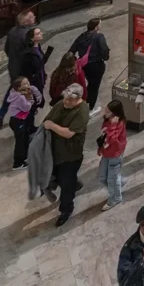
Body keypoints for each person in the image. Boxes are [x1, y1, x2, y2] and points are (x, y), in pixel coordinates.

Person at [43, 83, 90, 226]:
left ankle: (66, 209)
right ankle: (74, 183)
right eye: (65, 99)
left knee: (66, 185)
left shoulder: (82, 112)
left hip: (70, 155)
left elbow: (69, 133)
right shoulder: (61, 104)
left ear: (78, 99)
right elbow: (47, 119)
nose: (66, 102)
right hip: (56, 152)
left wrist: (51, 126)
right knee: (59, 176)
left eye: (70, 100)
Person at [0, 9, 37, 126]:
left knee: (13, 90)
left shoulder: (12, 32)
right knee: (26, 92)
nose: (34, 17)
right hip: (24, 69)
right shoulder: (27, 35)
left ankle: (1, 115)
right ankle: (23, 117)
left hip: (13, 67)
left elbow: (6, 49)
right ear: (26, 20)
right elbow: (30, 54)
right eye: (32, 16)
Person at [69, 18, 110, 113]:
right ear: (96, 27)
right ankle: (90, 108)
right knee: (94, 86)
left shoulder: (82, 36)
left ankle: (83, 101)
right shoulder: (99, 36)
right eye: (100, 24)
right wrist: (105, 57)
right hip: (96, 65)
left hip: (84, 66)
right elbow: (104, 49)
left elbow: (72, 50)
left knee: (88, 84)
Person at [96, 99, 128, 210]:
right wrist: (100, 148)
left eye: (108, 112)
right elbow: (104, 137)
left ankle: (115, 198)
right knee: (102, 178)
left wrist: (113, 125)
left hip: (115, 154)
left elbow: (112, 138)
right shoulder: (106, 121)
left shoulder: (119, 124)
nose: (106, 113)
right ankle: (118, 183)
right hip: (106, 153)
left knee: (111, 179)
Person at [6, 76, 39, 169]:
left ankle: (24, 157)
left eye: (28, 82)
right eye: (25, 84)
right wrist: (31, 101)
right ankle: (18, 163)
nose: (28, 85)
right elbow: (26, 108)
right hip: (18, 122)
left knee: (24, 138)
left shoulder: (15, 93)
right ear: (19, 87)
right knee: (20, 142)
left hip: (17, 120)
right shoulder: (20, 97)